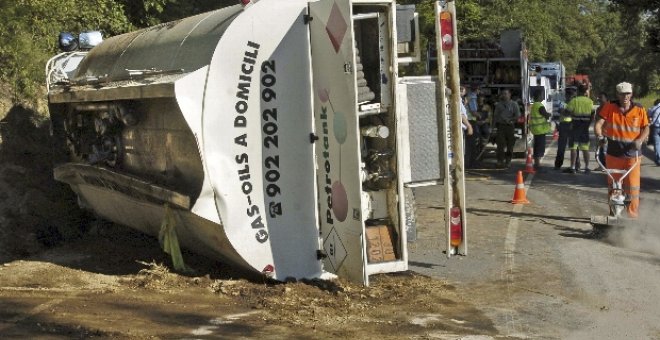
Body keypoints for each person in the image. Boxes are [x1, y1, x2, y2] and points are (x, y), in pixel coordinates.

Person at [594, 82, 649, 218]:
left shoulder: (639, 109)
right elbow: (599, 124)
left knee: (633, 187)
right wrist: (600, 136)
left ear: (631, 94)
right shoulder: (610, 107)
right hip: (614, 154)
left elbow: (646, 127)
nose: (625, 96)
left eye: (628, 93)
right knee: (614, 186)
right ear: (617, 94)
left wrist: (640, 140)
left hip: (633, 155)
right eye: (622, 94)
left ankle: (632, 216)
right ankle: (614, 213)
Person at [563, 84, 594, 174]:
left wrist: (564, 112)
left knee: (573, 148)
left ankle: (572, 167)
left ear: (578, 91)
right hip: (584, 128)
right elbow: (593, 114)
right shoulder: (590, 101)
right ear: (585, 92)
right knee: (585, 148)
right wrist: (588, 123)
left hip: (575, 127)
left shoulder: (574, 101)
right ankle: (587, 167)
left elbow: (567, 113)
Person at [493, 89, 520, 168]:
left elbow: (517, 115)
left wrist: (511, 120)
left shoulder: (514, 104)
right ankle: (500, 161)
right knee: (500, 145)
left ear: (509, 95)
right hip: (501, 126)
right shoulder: (499, 105)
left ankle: (508, 161)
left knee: (510, 145)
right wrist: (493, 127)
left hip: (510, 126)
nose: (504, 95)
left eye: (506, 93)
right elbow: (495, 116)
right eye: (503, 94)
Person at [554, 88, 577, 170]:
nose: (570, 96)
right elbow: (562, 112)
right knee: (565, 147)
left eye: (571, 95)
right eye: (569, 95)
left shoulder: (568, 103)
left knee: (570, 146)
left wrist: (566, 112)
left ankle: (574, 165)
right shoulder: (563, 103)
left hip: (569, 125)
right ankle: (559, 164)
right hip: (565, 125)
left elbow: (566, 112)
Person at [529, 91, 552, 171]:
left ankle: (536, 163)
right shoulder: (539, 105)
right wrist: (549, 114)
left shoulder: (534, 105)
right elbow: (545, 114)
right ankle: (537, 164)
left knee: (537, 146)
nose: (543, 97)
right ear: (538, 97)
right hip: (540, 130)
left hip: (536, 130)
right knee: (539, 147)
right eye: (541, 95)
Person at [594, 92, 610, 170]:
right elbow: (597, 121)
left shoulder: (609, 108)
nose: (599, 99)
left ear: (606, 98)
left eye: (601, 97)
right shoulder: (598, 109)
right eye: (599, 97)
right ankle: (602, 165)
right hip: (600, 132)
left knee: (604, 150)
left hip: (607, 132)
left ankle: (605, 166)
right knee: (600, 149)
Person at [648, 98, 660, 166]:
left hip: (656, 128)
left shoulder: (655, 108)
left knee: (657, 144)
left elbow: (649, 112)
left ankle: (658, 159)